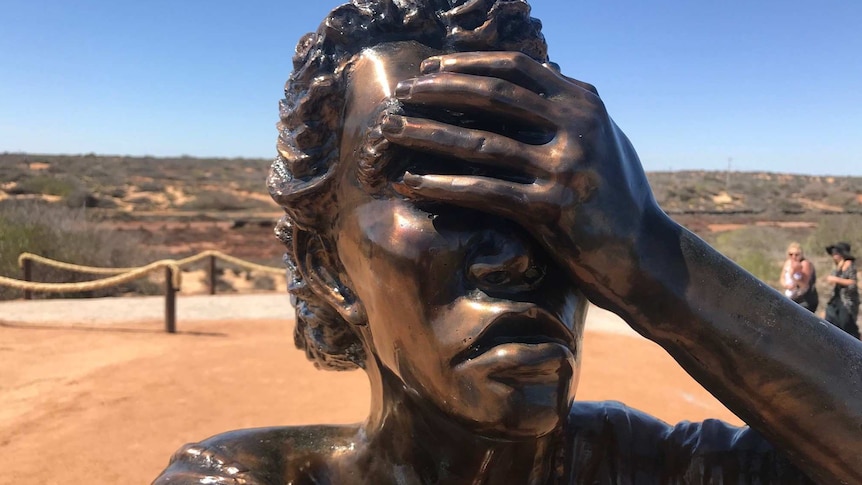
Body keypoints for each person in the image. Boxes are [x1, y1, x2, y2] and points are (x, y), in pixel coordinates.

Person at [155, 1, 862, 483]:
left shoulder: (642, 465)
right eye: (437, 189)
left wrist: (651, 254)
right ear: (330, 267)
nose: (517, 252)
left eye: (552, 195)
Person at [825, 242, 860, 338]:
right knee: (830, 321)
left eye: (836, 253)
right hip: (835, 299)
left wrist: (836, 279)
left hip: (846, 300)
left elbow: (853, 282)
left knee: (846, 325)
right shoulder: (837, 266)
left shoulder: (849, 265)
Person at [780, 242, 818, 312]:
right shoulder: (787, 263)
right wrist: (786, 285)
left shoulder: (805, 264)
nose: (793, 257)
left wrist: (792, 276)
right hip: (792, 297)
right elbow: (782, 278)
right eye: (791, 254)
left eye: (796, 255)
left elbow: (804, 285)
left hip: (805, 299)